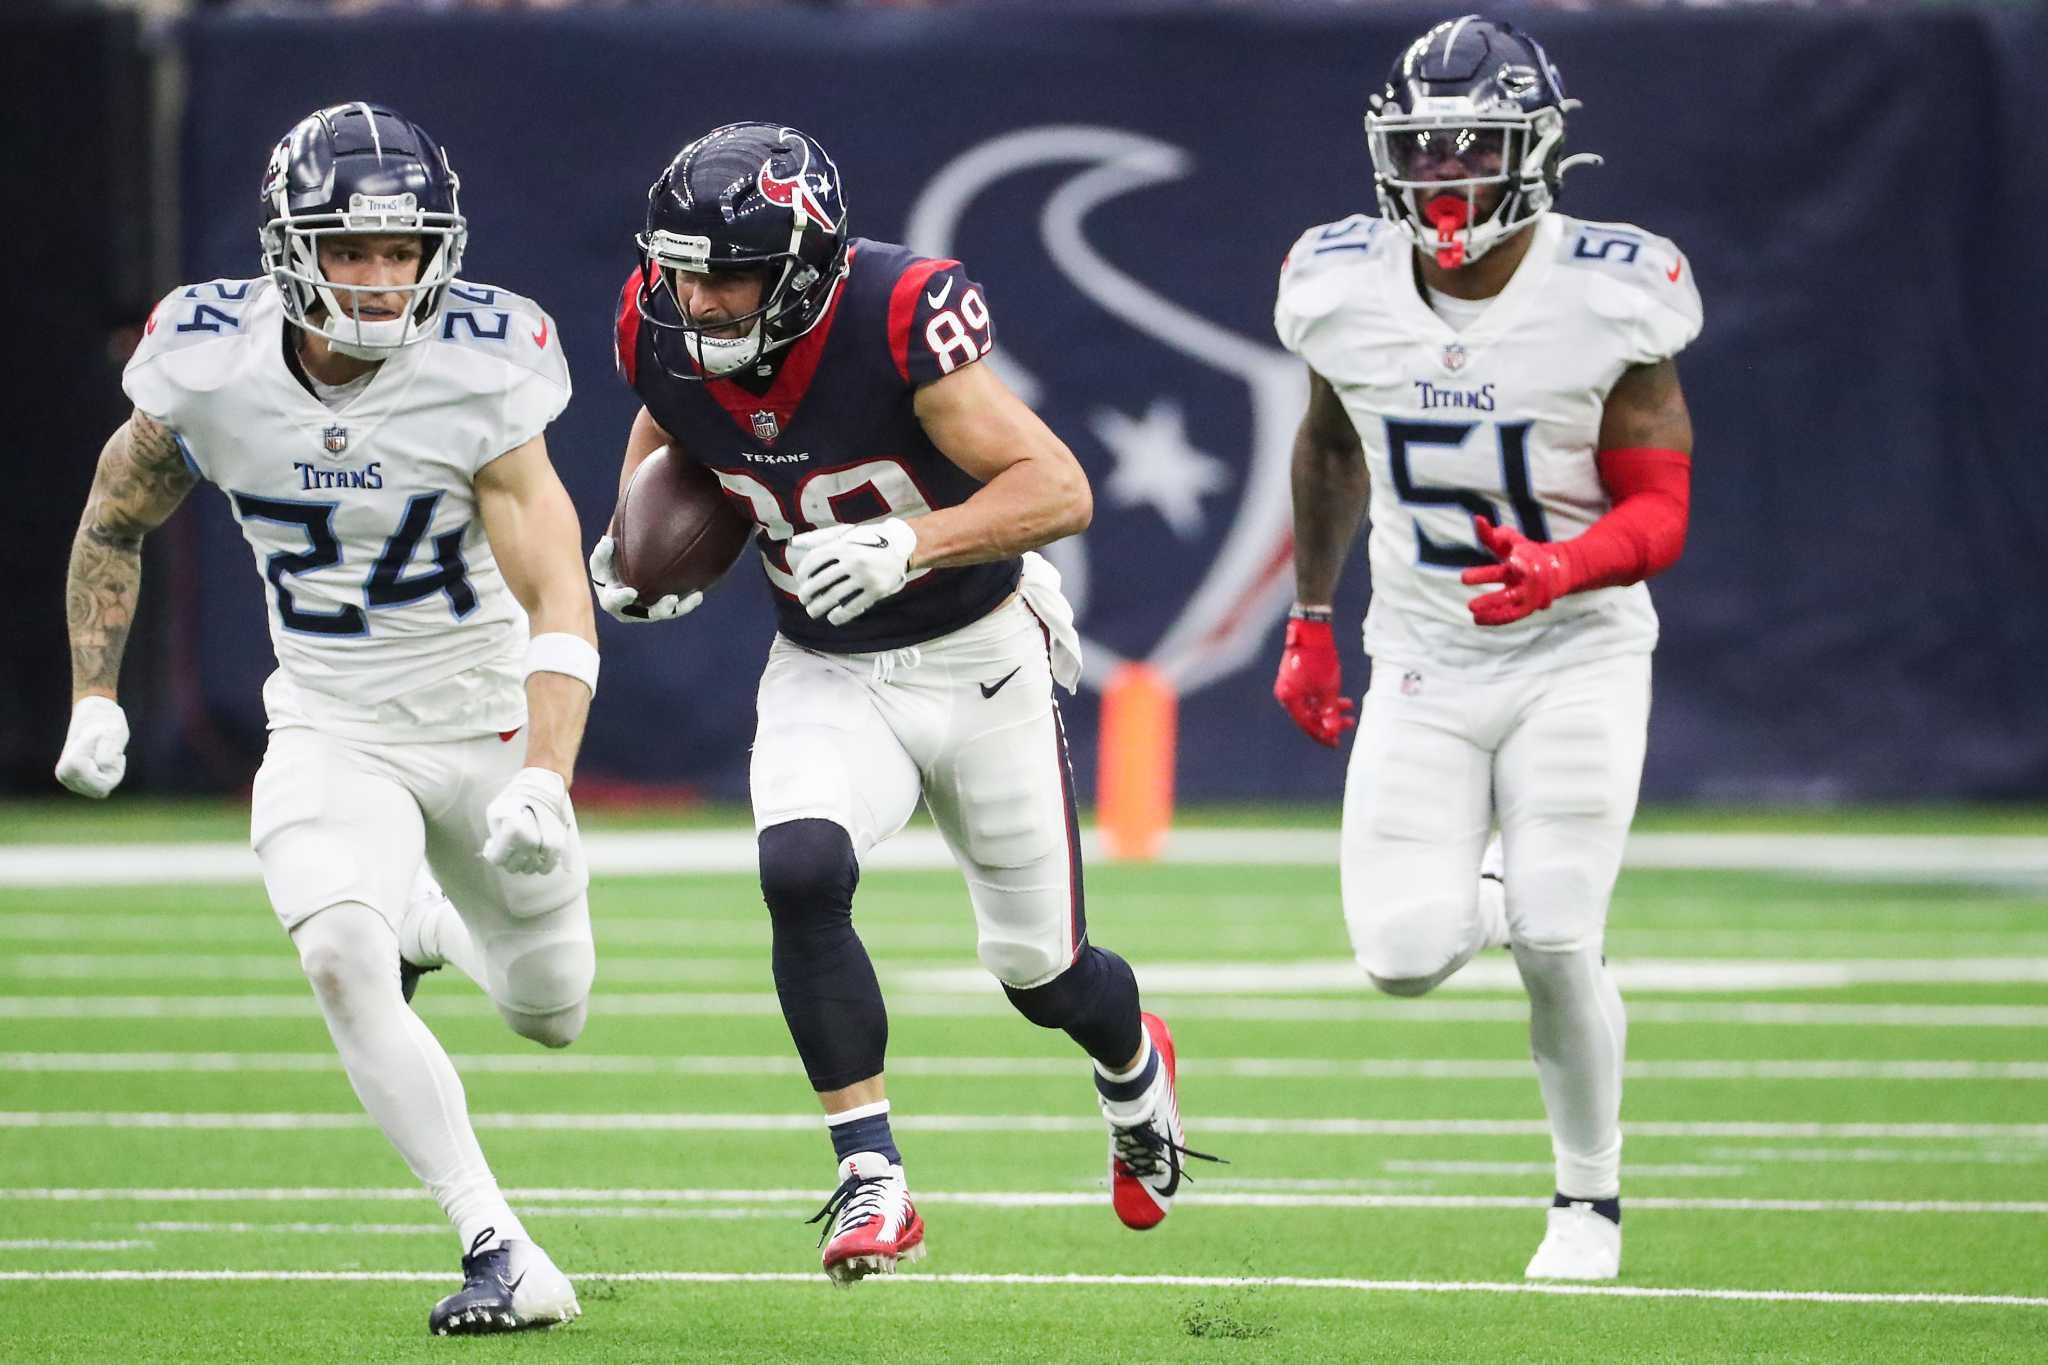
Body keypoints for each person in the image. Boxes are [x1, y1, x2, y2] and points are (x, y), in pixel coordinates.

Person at [592, 121, 1215, 1285]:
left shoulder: (897, 312)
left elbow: (1057, 487)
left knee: (1043, 974)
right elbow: (669, 419)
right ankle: (869, 1174)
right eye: (680, 269)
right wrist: (634, 544)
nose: (698, 299)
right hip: (824, 663)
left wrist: (909, 542)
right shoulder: (659, 319)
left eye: (727, 274)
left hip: (977, 654)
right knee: (800, 870)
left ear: (807, 267)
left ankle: (1134, 1070)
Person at [55, 102, 598, 1333]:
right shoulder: (208, 357)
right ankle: (499, 1247)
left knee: (550, 1009)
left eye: (399, 253)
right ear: (288, 245)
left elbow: (558, 584)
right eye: (349, 250)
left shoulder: (485, 358)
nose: (375, 278)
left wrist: (548, 777)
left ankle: (426, 915)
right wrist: (94, 692)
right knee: (337, 954)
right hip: (330, 719)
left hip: (484, 714)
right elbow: (113, 516)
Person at [1271, 16, 1701, 1281]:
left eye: (1474, 147)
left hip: (1577, 649)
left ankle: (1587, 1201)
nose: (1444, 175)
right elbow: (1334, 446)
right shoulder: (1335, 282)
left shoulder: (1611, 287)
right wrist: (1306, 619)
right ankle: (1513, 887)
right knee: (1398, 958)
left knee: (1561, 937)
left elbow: (1660, 507)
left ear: (1537, 148)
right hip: (1423, 654)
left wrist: (1561, 564)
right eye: (1422, 147)